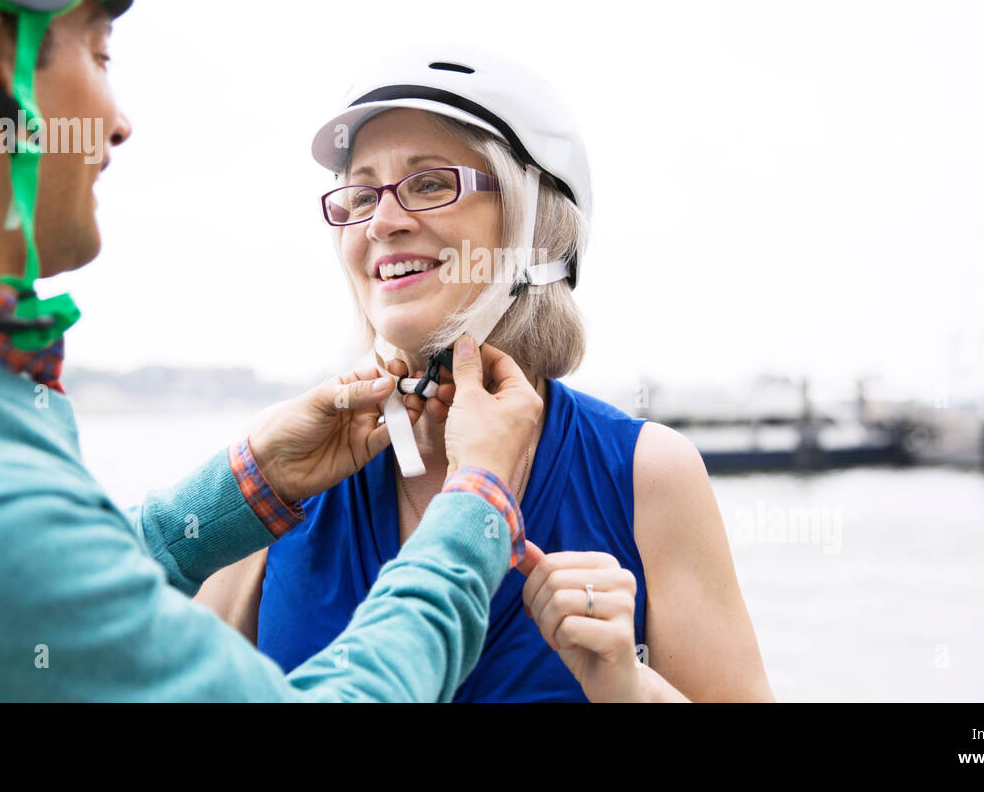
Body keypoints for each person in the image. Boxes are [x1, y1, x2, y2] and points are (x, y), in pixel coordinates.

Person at [0, 0, 546, 701]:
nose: (120, 120)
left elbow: (40, 616)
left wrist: (252, 483)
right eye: (99, 57)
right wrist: (474, 506)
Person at [196, 47, 776, 701]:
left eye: (430, 184)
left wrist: (633, 690)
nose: (382, 222)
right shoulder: (276, 481)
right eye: (359, 194)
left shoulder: (648, 474)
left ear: (537, 228)